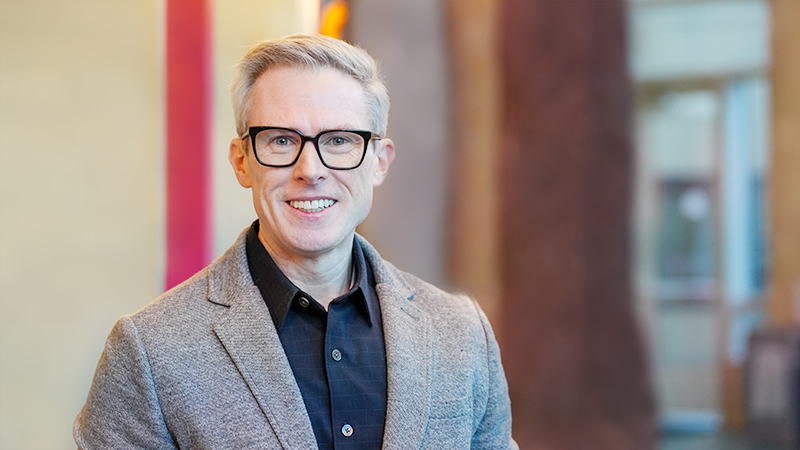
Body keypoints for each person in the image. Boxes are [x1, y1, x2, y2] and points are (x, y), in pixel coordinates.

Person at [74, 33, 516, 449]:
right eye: (282, 140)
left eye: (340, 140)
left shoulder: (462, 334)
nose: (311, 170)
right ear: (242, 161)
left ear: (379, 163)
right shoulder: (150, 352)